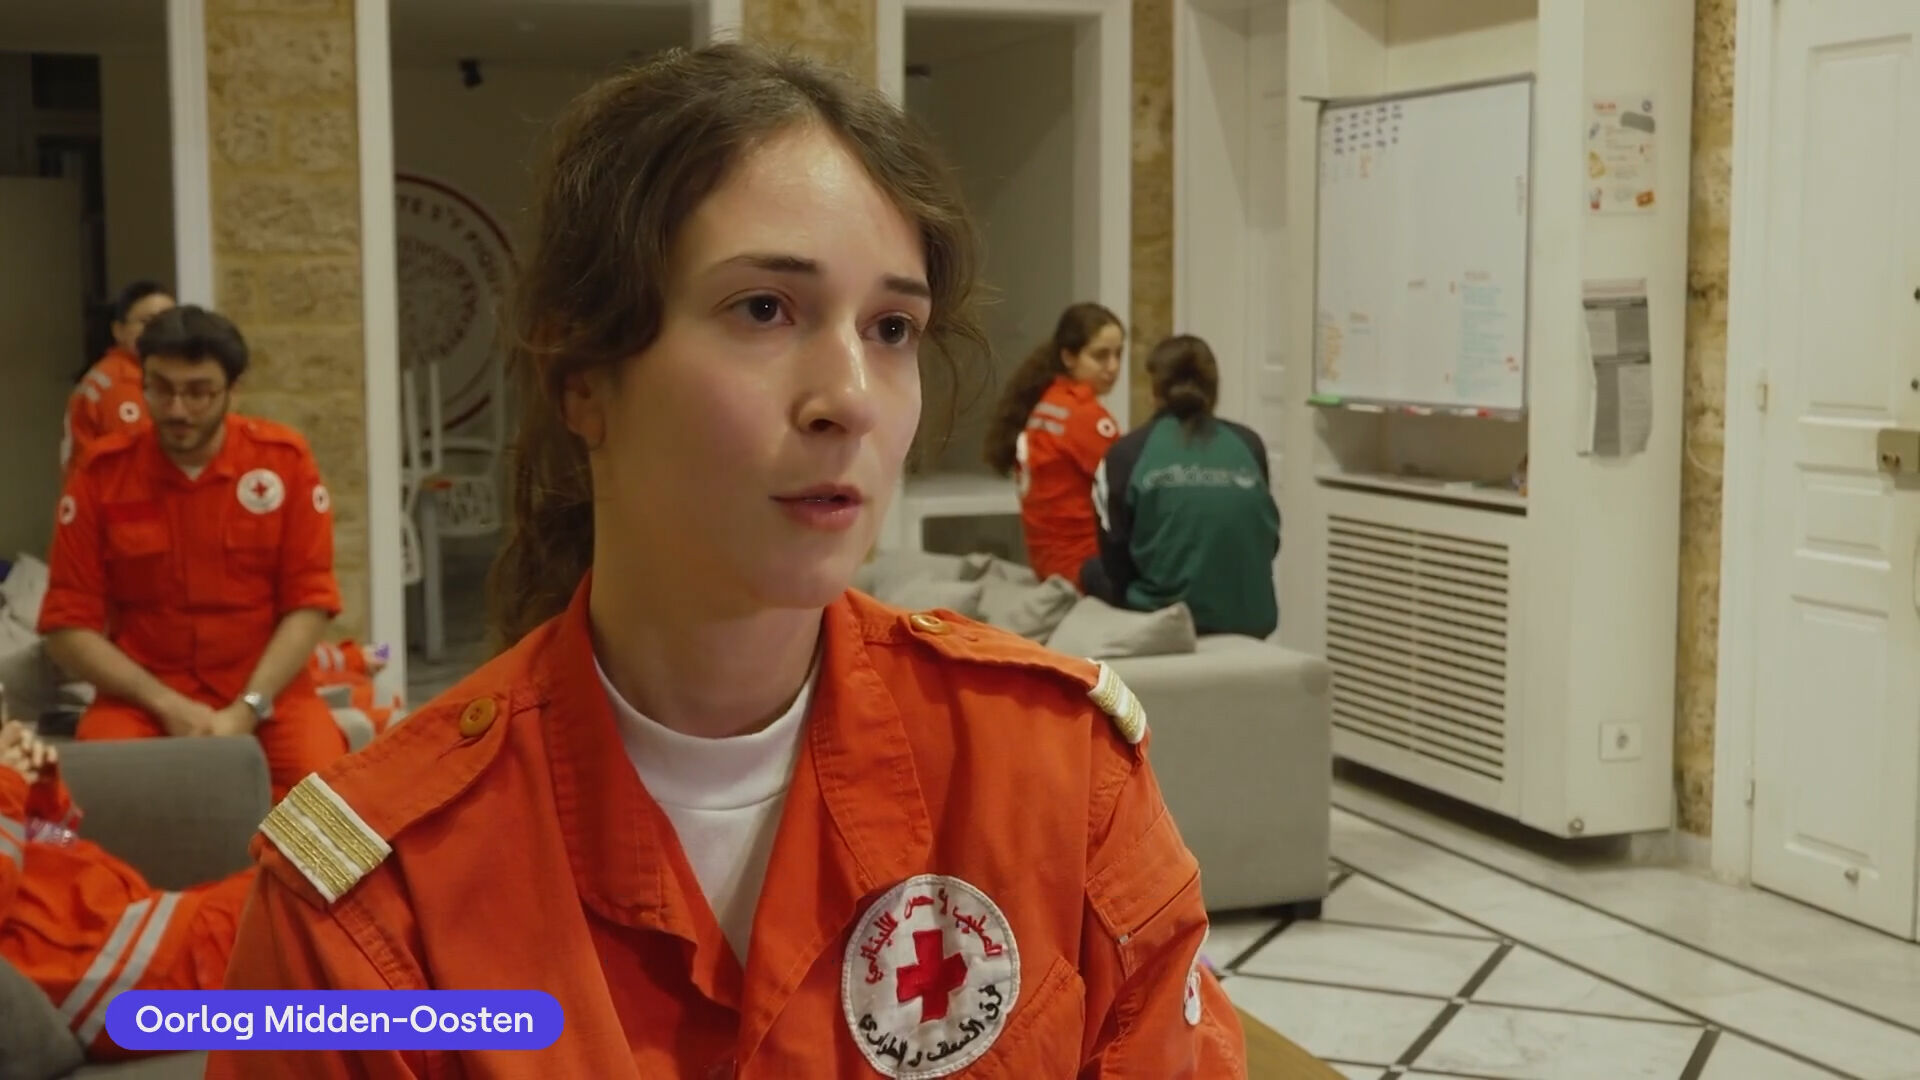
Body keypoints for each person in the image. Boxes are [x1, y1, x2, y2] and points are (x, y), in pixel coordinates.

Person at [210, 43, 1246, 1078]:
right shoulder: (371, 909)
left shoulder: (1054, 771)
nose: (850, 397)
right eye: (764, 308)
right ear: (582, 377)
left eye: (892, 328)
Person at [37, 305, 349, 802]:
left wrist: (247, 708)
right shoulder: (101, 474)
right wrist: (165, 704)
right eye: (160, 389)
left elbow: (309, 606)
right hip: (141, 697)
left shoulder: (283, 463)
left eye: (199, 392)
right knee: (97, 800)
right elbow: (66, 627)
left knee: (329, 810)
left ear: (233, 390)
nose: (178, 410)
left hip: (268, 694)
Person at [0, 719, 253, 1062]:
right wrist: (6, 785)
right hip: (136, 982)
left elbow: (52, 848)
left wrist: (37, 794)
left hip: (155, 940)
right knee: (306, 879)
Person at [1087, 335, 1279, 638]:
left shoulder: (1127, 453)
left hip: (1164, 618)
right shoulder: (1249, 444)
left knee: (1090, 571)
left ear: (1155, 390)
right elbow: (1269, 540)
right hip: (1254, 620)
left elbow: (1115, 557)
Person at [983, 302, 1127, 586]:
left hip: (1049, 565)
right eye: (1100, 356)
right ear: (1069, 357)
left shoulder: (1047, 403)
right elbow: (1132, 489)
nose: (1113, 367)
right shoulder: (1084, 415)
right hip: (1085, 566)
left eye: (1118, 354)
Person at [62, 281, 175, 474]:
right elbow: (138, 463)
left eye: (168, 321)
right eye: (147, 322)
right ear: (119, 331)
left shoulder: (161, 375)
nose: (160, 330)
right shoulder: (116, 382)